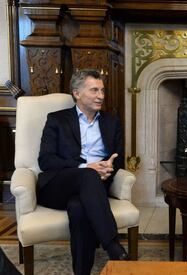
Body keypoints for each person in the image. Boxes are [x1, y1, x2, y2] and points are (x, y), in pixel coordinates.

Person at [37, 69, 128, 275]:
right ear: (77, 93)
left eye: (102, 90)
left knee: (78, 208)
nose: (101, 96)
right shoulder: (57, 120)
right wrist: (85, 168)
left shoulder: (111, 121)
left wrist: (109, 170)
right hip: (57, 185)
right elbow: (45, 160)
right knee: (88, 174)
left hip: (93, 187)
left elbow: (118, 157)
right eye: (94, 90)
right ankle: (113, 246)